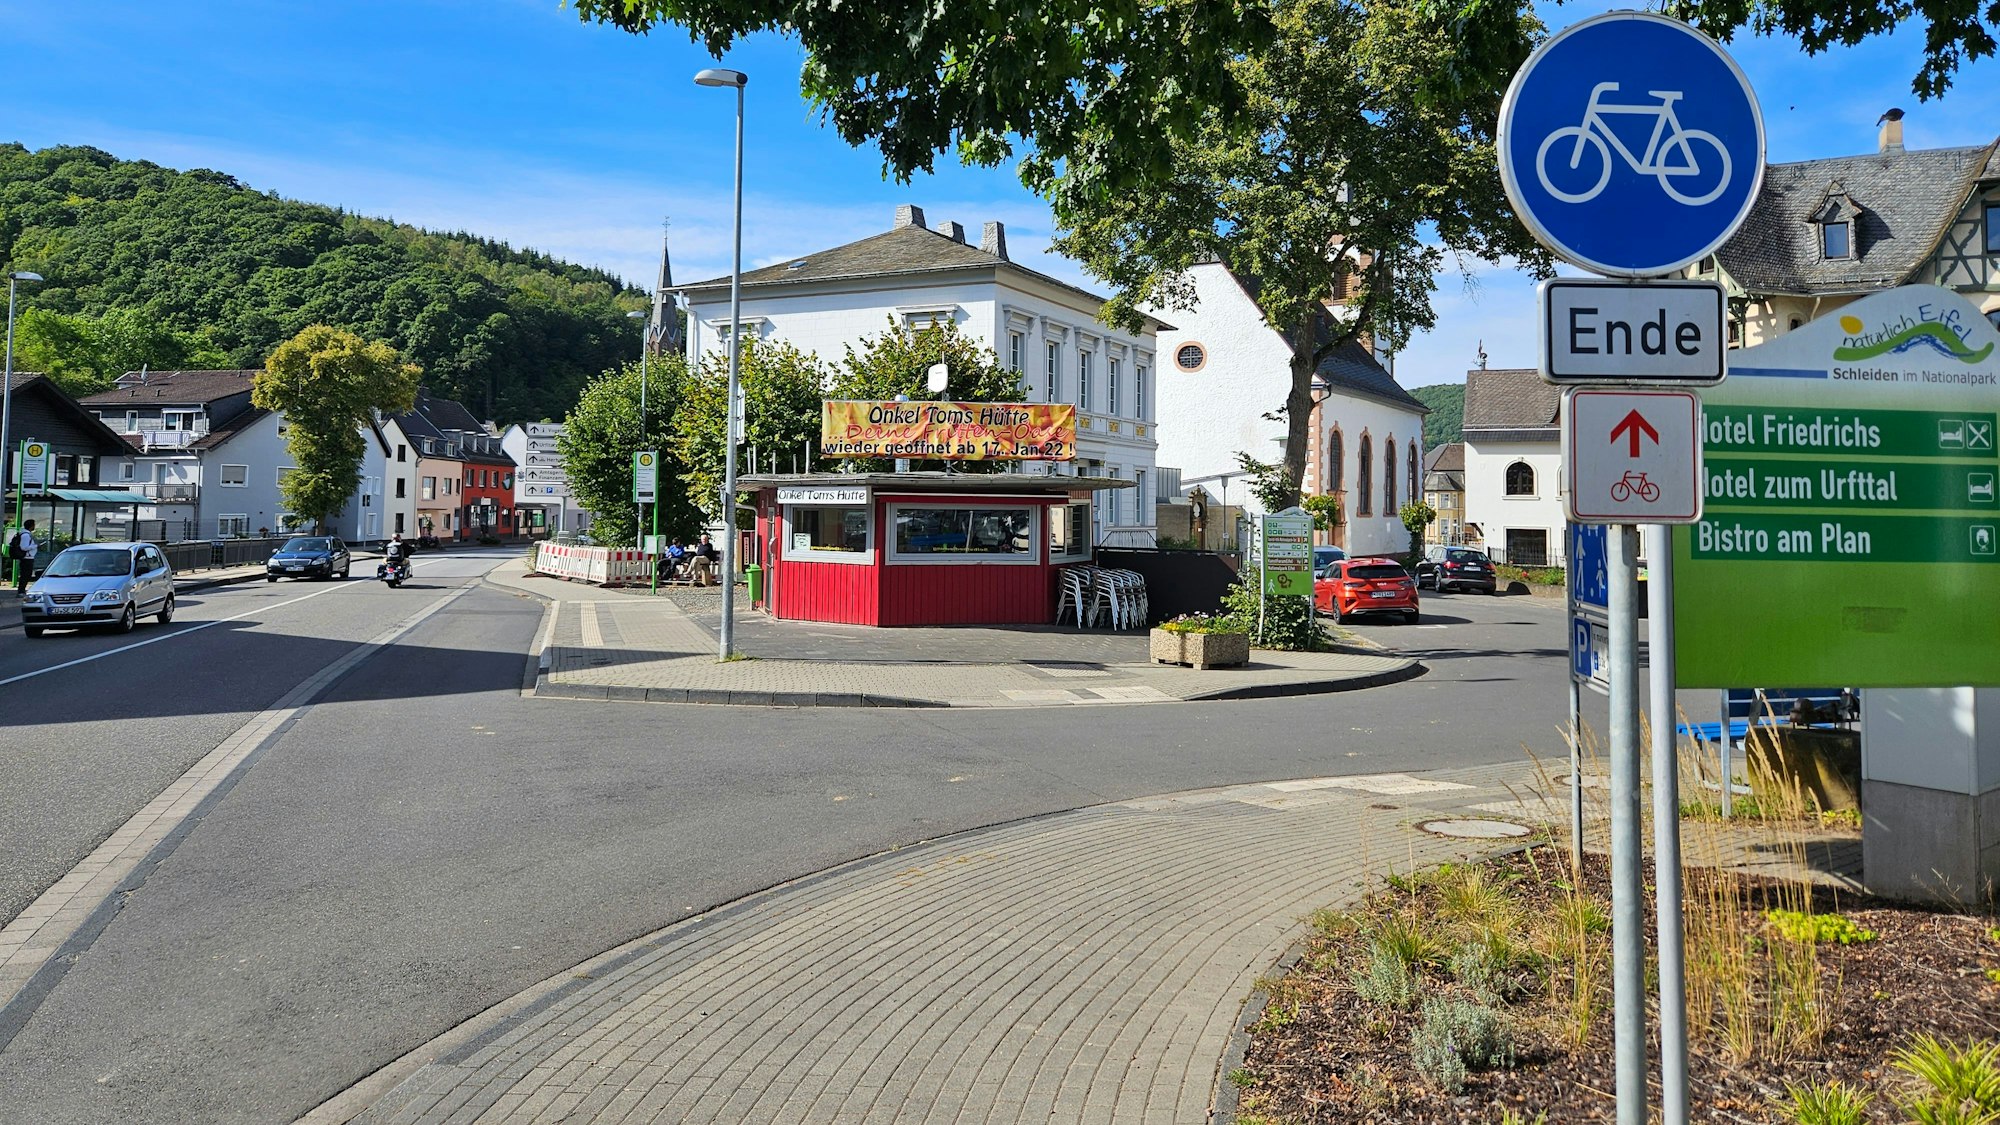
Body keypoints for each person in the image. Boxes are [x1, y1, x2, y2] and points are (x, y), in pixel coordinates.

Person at [8, 520, 37, 593]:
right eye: (34, 525)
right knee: (25, 575)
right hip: (26, 558)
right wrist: (35, 546)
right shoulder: (26, 535)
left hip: (28, 557)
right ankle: (21, 590)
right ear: (31, 526)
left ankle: (22, 590)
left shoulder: (25, 534)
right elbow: (24, 547)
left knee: (26, 574)